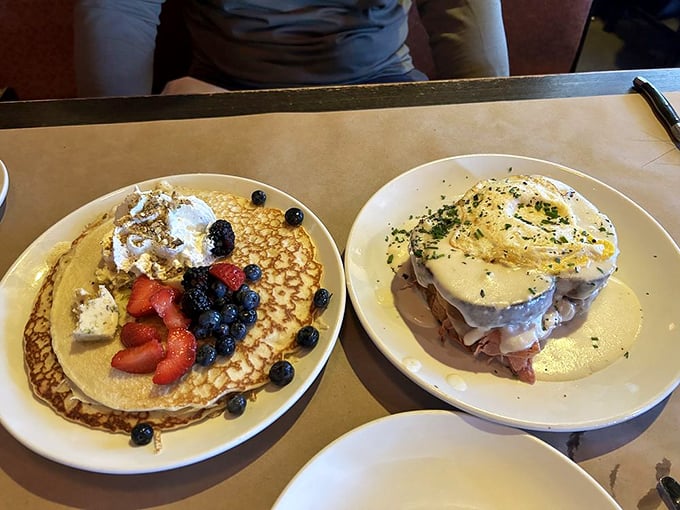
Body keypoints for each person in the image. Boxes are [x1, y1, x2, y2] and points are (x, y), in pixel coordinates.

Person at [73, 0, 509, 97]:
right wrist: (120, 120)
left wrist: (488, 112)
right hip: (218, 90)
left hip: (384, 87)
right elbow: (117, 5)